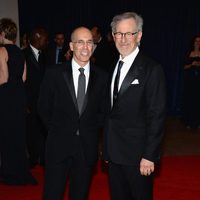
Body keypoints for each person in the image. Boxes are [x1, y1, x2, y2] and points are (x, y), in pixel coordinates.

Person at [38, 26, 108, 200]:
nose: (85, 47)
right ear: (71, 45)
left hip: (86, 148)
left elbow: (104, 112)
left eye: (90, 42)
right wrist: (58, 130)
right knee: (52, 194)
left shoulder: (103, 77)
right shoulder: (54, 73)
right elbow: (42, 108)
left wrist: (88, 128)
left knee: (80, 195)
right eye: (80, 42)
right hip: (58, 147)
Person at [103, 12, 166, 200]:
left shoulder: (151, 69)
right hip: (114, 154)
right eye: (119, 34)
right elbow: (111, 112)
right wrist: (107, 148)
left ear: (139, 36)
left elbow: (157, 116)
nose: (123, 39)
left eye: (129, 33)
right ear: (113, 36)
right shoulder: (112, 66)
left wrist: (149, 155)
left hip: (138, 156)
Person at [0, 18, 37, 185]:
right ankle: (21, 171)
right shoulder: (21, 52)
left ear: (2, 34)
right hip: (19, 97)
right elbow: (23, 78)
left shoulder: (1, 51)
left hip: (6, 98)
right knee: (18, 136)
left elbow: (3, 78)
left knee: (7, 136)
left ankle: (9, 173)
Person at [23, 27, 48, 168]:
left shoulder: (45, 55)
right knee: (31, 131)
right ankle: (33, 159)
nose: (47, 41)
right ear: (37, 37)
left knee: (44, 130)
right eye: (45, 38)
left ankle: (44, 159)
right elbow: (21, 82)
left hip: (43, 101)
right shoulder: (23, 55)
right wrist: (24, 103)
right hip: (29, 101)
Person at [182, 35, 200, 128]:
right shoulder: (189, 53)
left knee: (198, 101)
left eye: (199, 41)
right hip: (190, 80)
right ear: (193, 43)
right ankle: (188, 121)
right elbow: (184, 67)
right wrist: (192, 64)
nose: (197, 43)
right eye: (196, 41)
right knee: (189, 99)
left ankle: (197, 122)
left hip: (198, 81)